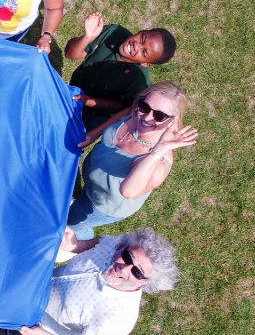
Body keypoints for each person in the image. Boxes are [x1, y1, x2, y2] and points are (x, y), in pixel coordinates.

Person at [0, 227, 179, 335]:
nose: (124, 268)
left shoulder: (119, 318)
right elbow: (95, 243)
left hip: (37, 320)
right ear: (126, 246)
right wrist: (75, 245)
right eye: (128, 257)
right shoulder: (115, 246)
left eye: (137, 272)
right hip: (36, 283)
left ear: (146, 283)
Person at [68, 82, 198, 239]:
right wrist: (94, 134)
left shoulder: (160, 161)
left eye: (159, 115)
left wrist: (157, 151)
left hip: (102, 204)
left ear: (173, 120)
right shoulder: (137, 114)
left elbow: (129, 191)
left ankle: (84, 243)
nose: (147, 117)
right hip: (93, 180)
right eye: (145, 106)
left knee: (73, 223)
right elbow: (126, 114)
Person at [65, 11, 177, 130]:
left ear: (146, 63)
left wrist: (89, 101)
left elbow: (122, 107)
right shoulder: (113, 33)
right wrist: (87, 37)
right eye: (142, 38)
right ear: (141, 31)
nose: (136, 46)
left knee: (72, 135)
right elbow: (70, 54)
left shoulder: (138, 81)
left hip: (96, 113)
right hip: (76, 85)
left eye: (144, 52)